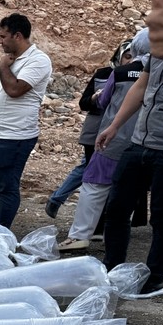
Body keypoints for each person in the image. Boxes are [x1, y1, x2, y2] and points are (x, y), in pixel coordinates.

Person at [95, 35, 163, 298]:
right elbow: (140, 88)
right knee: (117, 208)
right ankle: (112, 267)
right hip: (139, 143)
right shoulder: (159, 51)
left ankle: (154, 280)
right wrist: (114, 126)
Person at [58, 34, 149, 252]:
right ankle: (115, 238)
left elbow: (103, 101)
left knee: (93, 185)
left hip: (114, 139)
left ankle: (79, 236)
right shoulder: (162, 72)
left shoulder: (120, 72)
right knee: (128, 191)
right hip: (146, 142)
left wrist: (97, 97)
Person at [0, 13, 53, 227]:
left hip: (13, 137)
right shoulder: (10, 59)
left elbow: (15, 90)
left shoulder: (38, 60)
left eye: (3, 36)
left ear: (17, 36)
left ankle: (0, 233)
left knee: (6, 188)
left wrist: (3, 67)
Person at [46, 60, 115, 218]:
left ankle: (57, 199)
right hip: (96, 130)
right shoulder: (103, 74)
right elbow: (84, 103)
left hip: (114, 132)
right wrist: (95, 98)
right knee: (91, 169)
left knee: (87, 166)